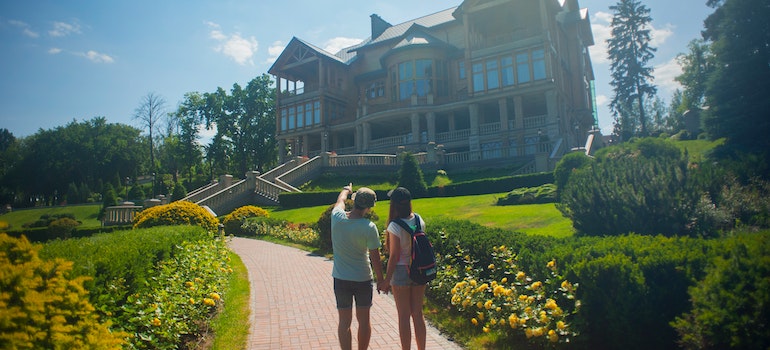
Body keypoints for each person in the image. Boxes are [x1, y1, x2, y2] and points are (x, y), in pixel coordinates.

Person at [331, 183, 387, 350]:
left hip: (341, 279)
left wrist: (346, 190)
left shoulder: (337, 217)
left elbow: (340, 200)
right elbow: (375, 259)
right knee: (364, 321)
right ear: (369, 207)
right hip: (362, 279)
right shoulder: (369, 227)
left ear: (354, 201)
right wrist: (381, 280)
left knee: (344, 322)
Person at [382, 187, 428, 350]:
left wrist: (386, 280)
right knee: (418, 314)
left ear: (393, 204)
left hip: (401, 271)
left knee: (403, 316)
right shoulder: (418, 219)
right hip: (419, 270)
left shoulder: (394, 225)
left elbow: (394, 256)